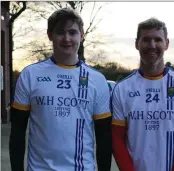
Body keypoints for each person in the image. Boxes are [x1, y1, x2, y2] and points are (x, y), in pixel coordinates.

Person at [9, 8, 112, 171]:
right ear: (50, 35)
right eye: (60, 32)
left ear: (82, 35)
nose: (67, 38)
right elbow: (17, 132)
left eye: (72, 32)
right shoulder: (30, 75)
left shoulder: (97, 80)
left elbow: (104, 138)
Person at [111, 18, 174, 171]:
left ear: (166, 44)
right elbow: (117, 139)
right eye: (146, 39)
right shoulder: (122, 88)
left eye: (157, 40)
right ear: (137, 43)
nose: (152, 45)